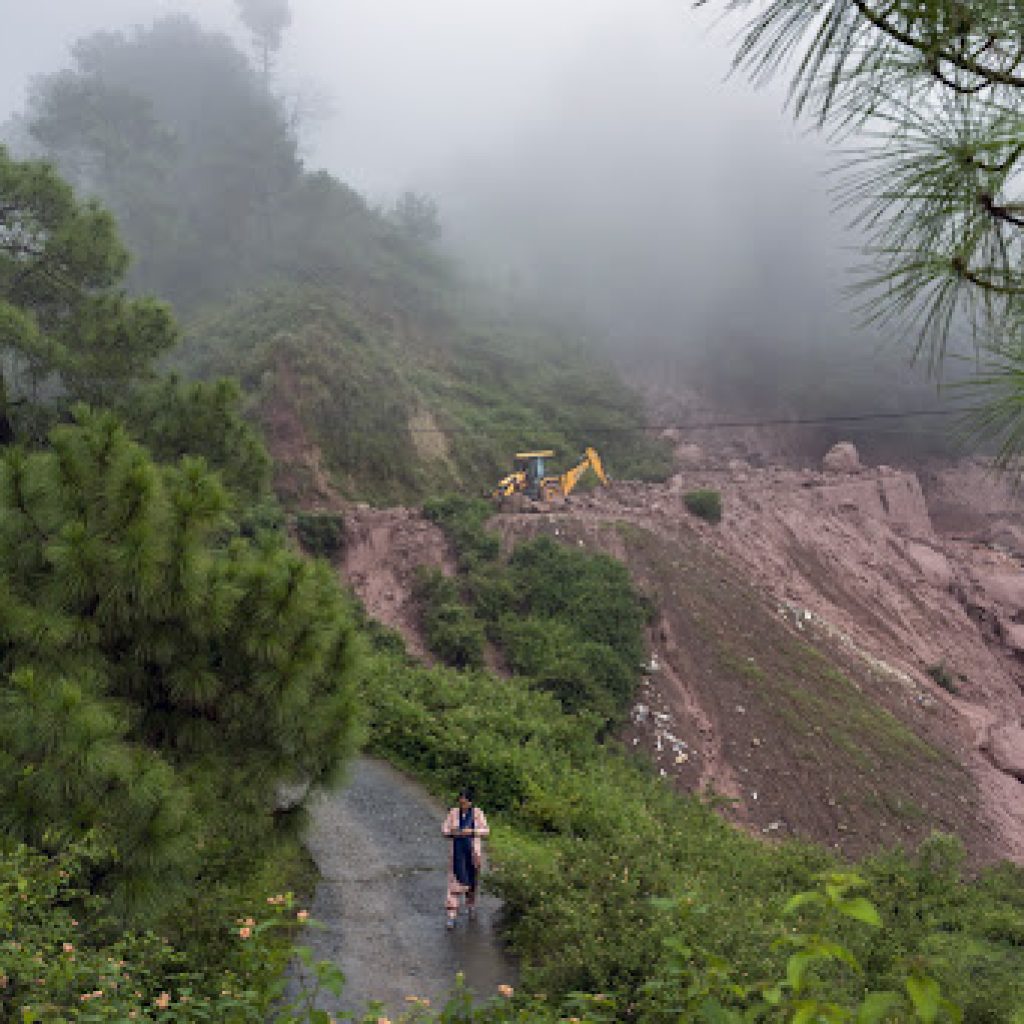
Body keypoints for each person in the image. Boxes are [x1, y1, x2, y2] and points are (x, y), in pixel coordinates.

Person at [441, 788, 489, 930]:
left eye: (465, 801)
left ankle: (471, 905)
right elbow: (444, 829)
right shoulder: (453, 813)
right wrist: (451, 832)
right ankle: (451, 915)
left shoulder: (477, 813)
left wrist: (472, 831)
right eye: (460, 801)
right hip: (457, 853)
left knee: (472, 882)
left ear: (470, 802)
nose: (463, 804)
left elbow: (486, 830)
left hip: (473, 854)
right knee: (454, 883)